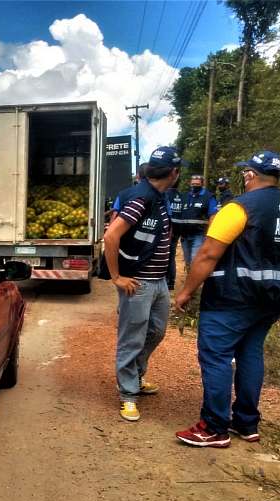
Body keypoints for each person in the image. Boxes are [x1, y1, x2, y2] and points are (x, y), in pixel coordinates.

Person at [174, 151, 280, 447]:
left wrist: (186, 292)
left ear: (250, 175)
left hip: (231, 298)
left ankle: (214, 427)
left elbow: (208, 252)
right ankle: (246, 423)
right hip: (272, 301)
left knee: (217, 357)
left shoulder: (239, 208)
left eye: (245, 173)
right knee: (249, 354)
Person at [103, 147, 182, 422]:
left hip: (158, 281)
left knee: (157, 332)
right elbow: (111, 237)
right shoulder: (141, 198)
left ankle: (135, 375)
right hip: (138, 282)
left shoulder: (159, 196)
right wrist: (116, 277)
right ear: (174, 173)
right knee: (132, 338)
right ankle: (128, 395)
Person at [173, 174, 218, 269]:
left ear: (202, 184)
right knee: (188, 261)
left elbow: (213, 216)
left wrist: (209, 235)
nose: (195, 185)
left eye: (197, 184)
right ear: (190, 183)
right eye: (193, 183)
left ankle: (195, 282)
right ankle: (190, 277)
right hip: (184, 236)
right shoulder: (184, 197)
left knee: (195, 260)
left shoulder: (208, 197)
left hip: (199, 235)